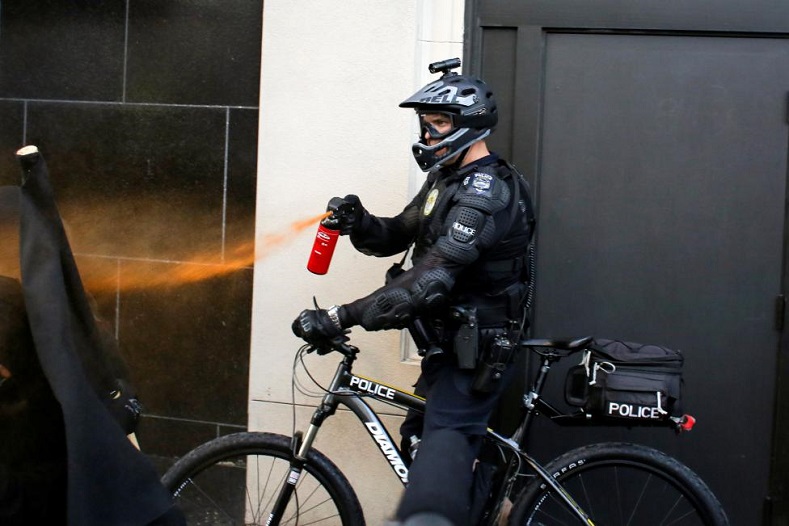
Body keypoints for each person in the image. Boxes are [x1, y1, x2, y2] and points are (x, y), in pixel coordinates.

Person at [292, 58, 535, 526]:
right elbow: (401, 232)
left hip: (477, 356)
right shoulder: (446, 180)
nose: (427, 136)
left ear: (469, 125)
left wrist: (339, 317)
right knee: (419, 441)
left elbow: (430, 280)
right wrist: (358, 222)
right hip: (448, 350)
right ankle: (490, 510)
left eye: (438, 124)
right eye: (426, 125)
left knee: (440, 461)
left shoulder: (484, 193)